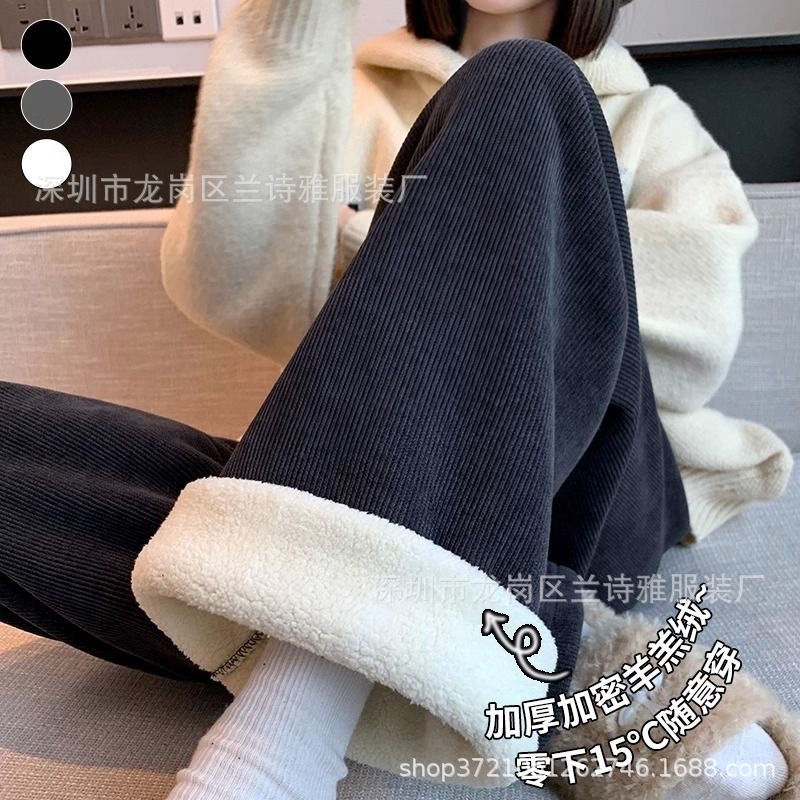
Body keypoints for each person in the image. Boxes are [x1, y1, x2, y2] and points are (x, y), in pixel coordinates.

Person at [0, 1, 796, 799]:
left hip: (593, 491)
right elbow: (233, 287)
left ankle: (281, 746)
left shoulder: (654, 121)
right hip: (373, 481)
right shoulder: (351, 98)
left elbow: (695, 343)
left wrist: (404, 235)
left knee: (523, 84)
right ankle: (533, 638)